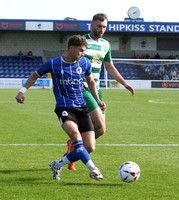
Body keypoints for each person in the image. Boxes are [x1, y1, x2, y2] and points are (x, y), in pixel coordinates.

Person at [15, 35, 105, 181]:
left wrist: (98, 100)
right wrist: (22, 91)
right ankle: (93, 169)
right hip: (64, 108)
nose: (83, 53)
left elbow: (91, 82)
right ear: (71, 48)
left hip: (82, 108)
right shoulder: (53, 63)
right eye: (81, 50)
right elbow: (35, 75)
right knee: (76, 137)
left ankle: (57, 164)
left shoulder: (85, 63)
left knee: (89, 147)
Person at [65, 13, 135, 170]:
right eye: (99, 26)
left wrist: (125, 83)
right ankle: (76, 146)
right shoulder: (81, 41)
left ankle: (73, 149)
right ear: (91, 25)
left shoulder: (106, 45)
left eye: (104, 27)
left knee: (101, 130)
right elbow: (68, 61)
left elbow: (110, 67)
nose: (101, 29)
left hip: (96, 88)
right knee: (98, 123)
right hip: (82, 88)